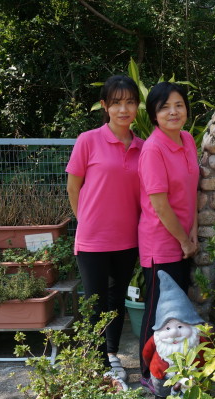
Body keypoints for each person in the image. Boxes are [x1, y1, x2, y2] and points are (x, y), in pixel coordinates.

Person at [65, 75, 143, 379]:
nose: (124, 109)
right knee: (94, 303)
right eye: (116, 103)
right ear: (104, 106)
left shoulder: (143, 147)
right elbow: (73, 187)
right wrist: (85, 221)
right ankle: (95, 367)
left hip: (128, 239)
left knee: (116, 300)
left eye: (130, 102)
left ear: (137, 107)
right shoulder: (88, 140)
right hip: (93, 239)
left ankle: (111, 356)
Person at [137, 81, 199, 385]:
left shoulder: (187, 139)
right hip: (161, 244)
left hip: (185, 240)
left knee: (179, 313)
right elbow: (160, 205)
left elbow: (192, 191)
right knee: (158, 315)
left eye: (179, 105)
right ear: (154, 114)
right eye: (165, 108)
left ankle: (175, 372)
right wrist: (184, 240)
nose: (173, 112)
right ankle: (148, 373)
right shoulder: (153, 149)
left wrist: (194, 232)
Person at [141, 270, 207, 399]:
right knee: (162, 396)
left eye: (180, 327)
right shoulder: (156, 339)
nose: (174, 333)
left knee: (192, 395)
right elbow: (146, 354)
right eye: (167, 328)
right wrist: (153, 367)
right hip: (162, 376)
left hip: (192, 377)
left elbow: (209, 352)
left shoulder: (198, 338)